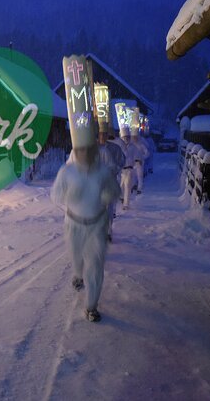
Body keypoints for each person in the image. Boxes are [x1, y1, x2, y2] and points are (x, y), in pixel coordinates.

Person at [51, 114, 121, 323]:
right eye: (80, 150)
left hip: (97, 226)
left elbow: (114, 190)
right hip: (73, 224)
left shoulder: (103, 172)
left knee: (96, 265)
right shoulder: (67, 172)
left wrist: (108, 196)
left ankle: (92, 306)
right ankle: (77, 274)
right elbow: (55, 195)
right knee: (77, 259)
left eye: (88, 150)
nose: (84, 154)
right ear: (75, 151)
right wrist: (67, 197)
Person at [99, 132, 126, 242]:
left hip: (110, 182)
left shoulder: (115, 148)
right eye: (100, 134)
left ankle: (108, 232)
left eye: (105, 134)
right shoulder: (93, 148)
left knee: (109, 208)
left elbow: (122, 161)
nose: (102, 137)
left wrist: (115, 170)